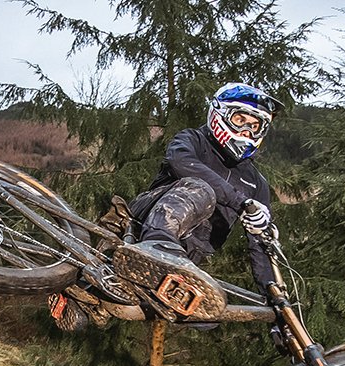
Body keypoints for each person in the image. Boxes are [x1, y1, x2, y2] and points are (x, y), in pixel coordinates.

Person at [51, 82, 282, 331]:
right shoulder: (193, 139)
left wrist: (276, 304)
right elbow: (180, 161)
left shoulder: (257, 184)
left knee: (212, 317)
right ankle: (156, 246)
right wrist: (242, 202)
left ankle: (115, 290)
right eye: (240, 119)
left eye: (255, 125)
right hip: (142, 225)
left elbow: (259, 248)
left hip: (184, 257)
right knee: (201, 188)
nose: (247, 130)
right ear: (221, 114)